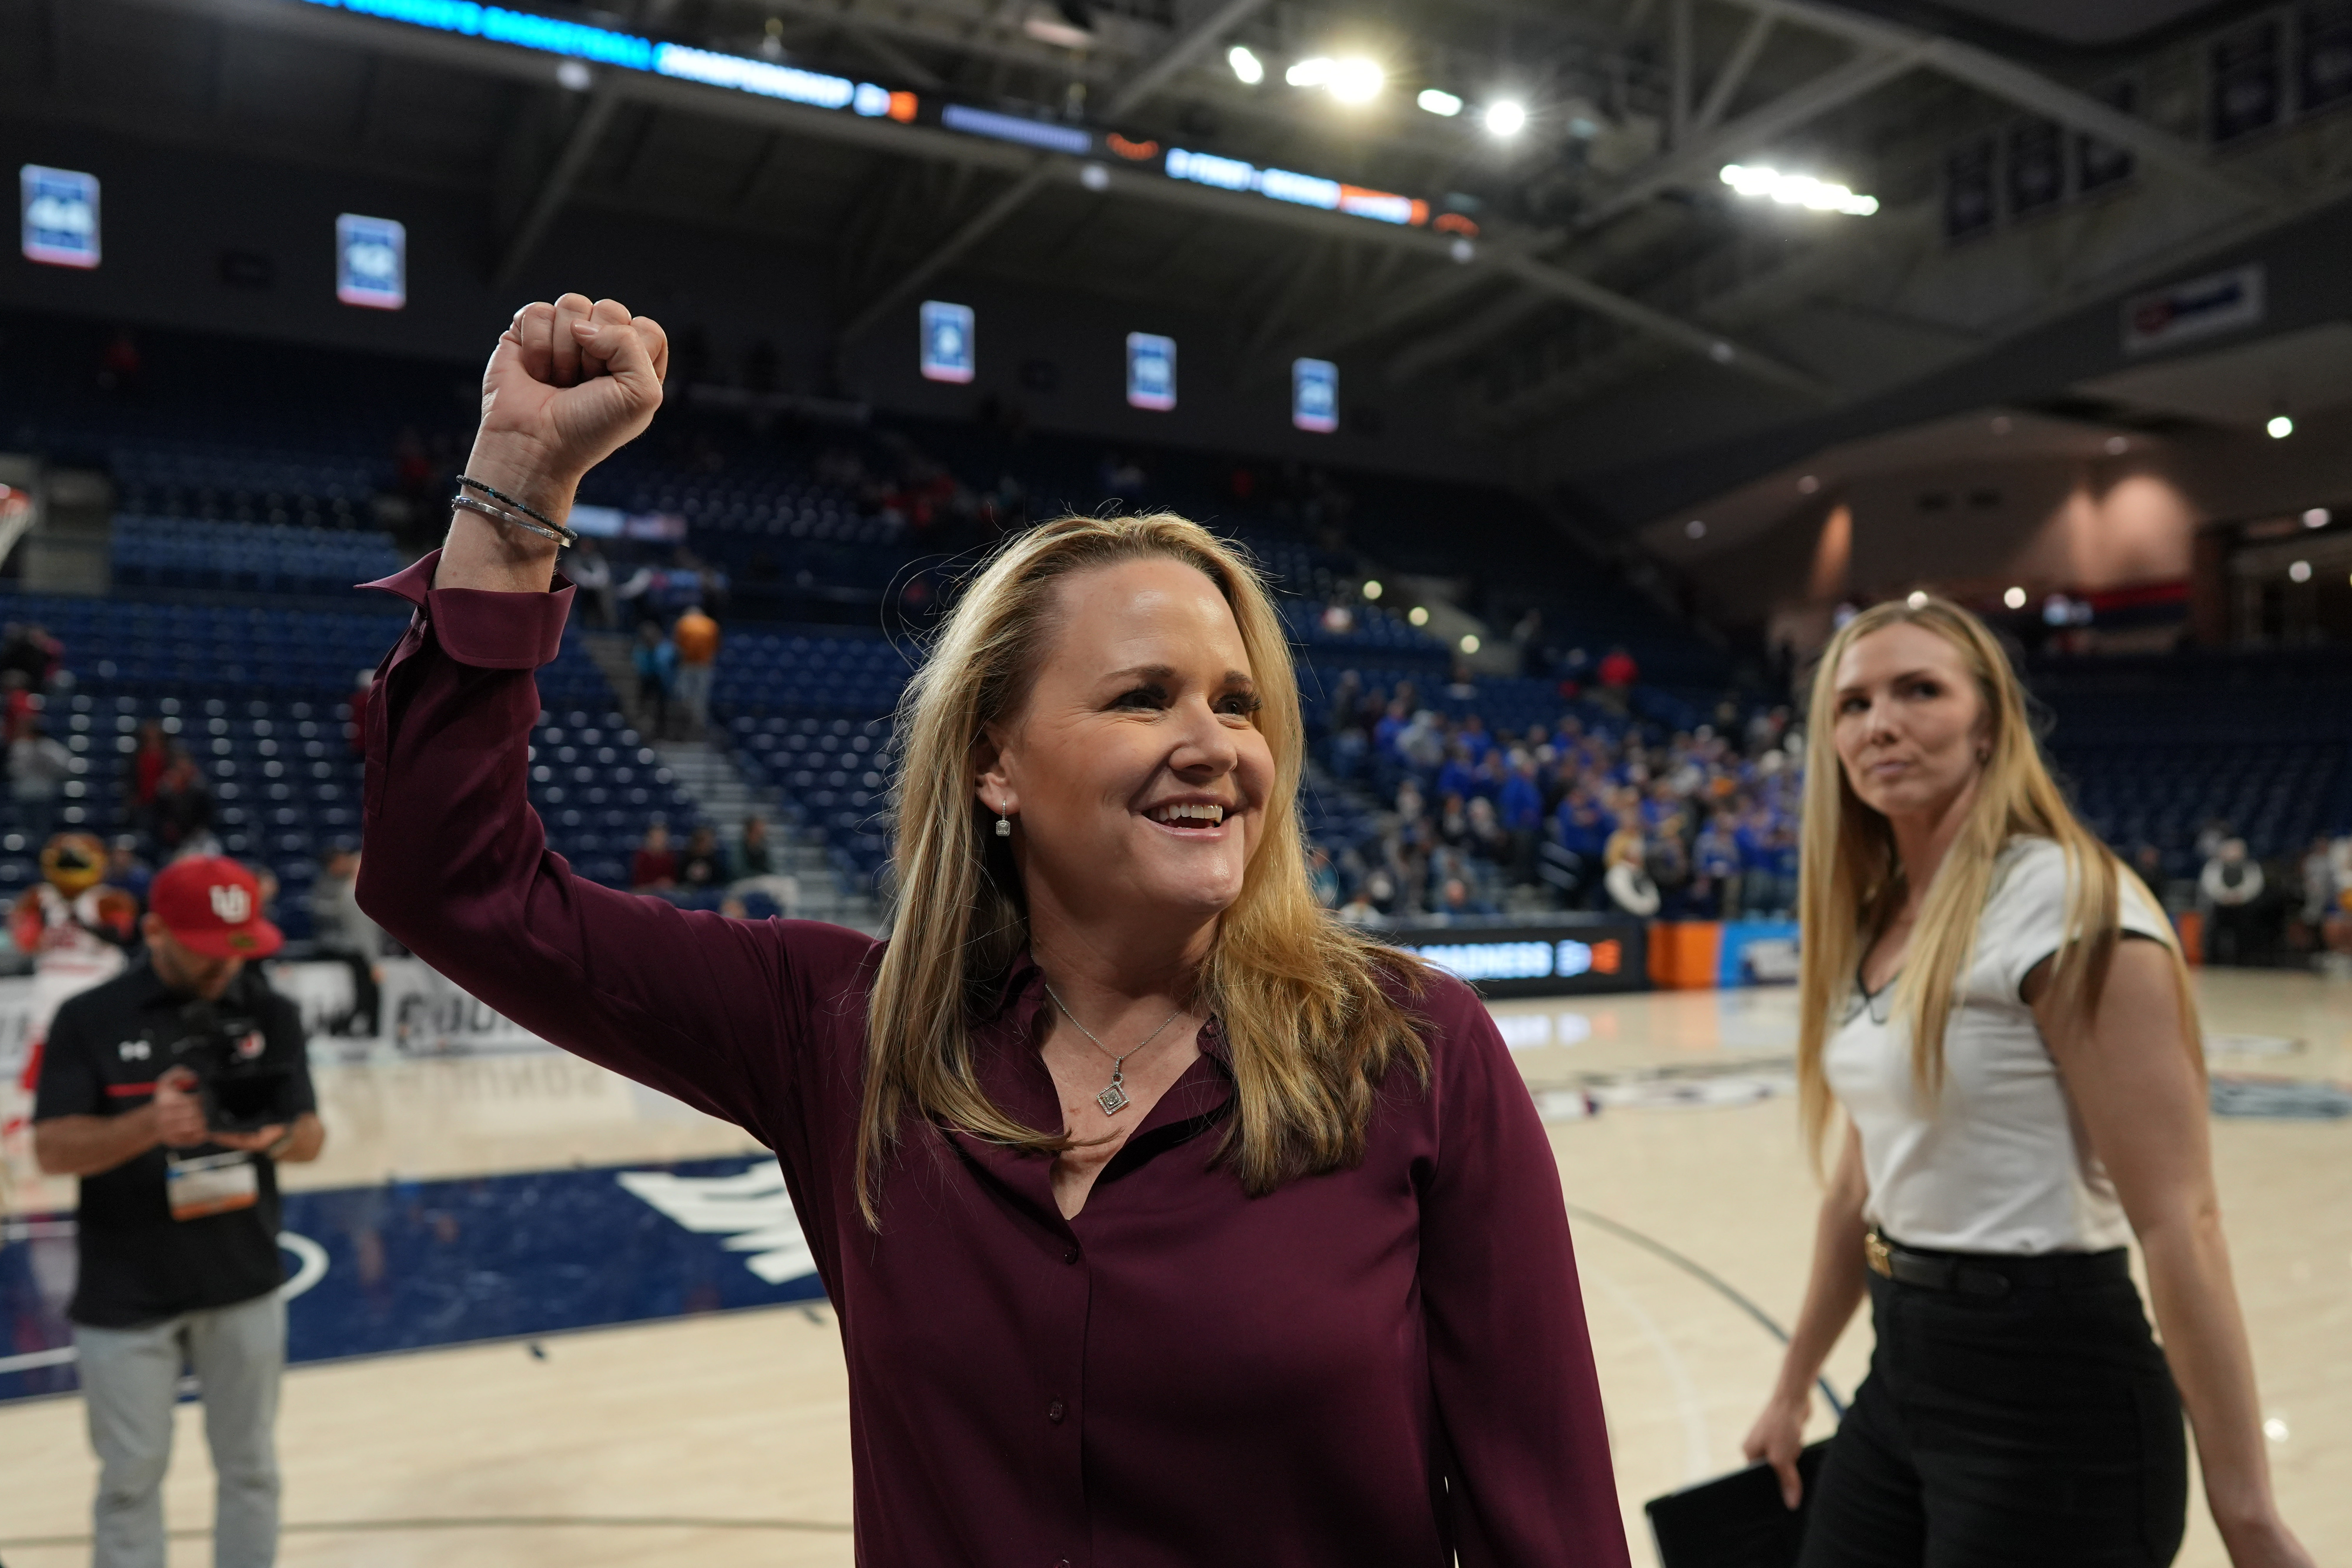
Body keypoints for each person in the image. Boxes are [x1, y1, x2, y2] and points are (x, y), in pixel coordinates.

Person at [354, 293, 1627, 1567]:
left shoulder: (1413, 1050)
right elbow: (457, 887)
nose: (1215, 744)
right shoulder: (843, 1034)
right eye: (1144, 697)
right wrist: (517, 487)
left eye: (1238, 702)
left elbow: (1548, 1523)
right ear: (992, 762)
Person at [1741, 596, 2310, 1568]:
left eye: (1919, 690)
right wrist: (1793, 1386)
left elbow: (2182, 1220)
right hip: (1904, 1367)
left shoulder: (2068, 902)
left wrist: (2248, 1512)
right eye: (1853, 703)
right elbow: (1855, 1186)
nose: (1879, 723)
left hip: (2055, 1398)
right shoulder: (1872, 917)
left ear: (1989, 725)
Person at [31, 856, 325, 1568]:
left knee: (252, 1470)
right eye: (206, 948)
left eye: (239, 946)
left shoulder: (271, 1011)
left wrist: (271, 1137)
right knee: (130, 1482)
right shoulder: (89, 1018)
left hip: (244, 1280)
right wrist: (149, 1125)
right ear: (156, 931)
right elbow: (51, 1150)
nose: (226, 964)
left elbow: (311, 1137)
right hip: (127, 1293)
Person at [308, 845, 386, 1038]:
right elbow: (363, 933)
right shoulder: (350, 894)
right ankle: (357, 1026)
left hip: (357, 948)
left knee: (365, 990)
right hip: (354, 949)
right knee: (365, 991)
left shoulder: (350, 891)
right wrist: (374, 961)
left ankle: (363, 1025)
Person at [2199, 838, 2266, 967]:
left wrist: (2240, 896)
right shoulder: (2214, 866)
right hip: (2220, 907)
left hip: (2243, 907)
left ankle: (2244, 963)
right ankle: (2213, 964)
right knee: (2214, 935)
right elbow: (2210, 884)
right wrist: (2225, 896)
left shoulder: (2251, 867)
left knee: (2245, 936)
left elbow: (2255, 885)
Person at [11, 714, 76, 843]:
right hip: (24, 795)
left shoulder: (50, 748)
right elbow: (13, 771)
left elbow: (68, 768)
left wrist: (48, 764)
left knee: (43, 832)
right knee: (23, 833)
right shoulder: (21, 747)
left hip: (44, 796)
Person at [671, 602, 720, 735]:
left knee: (684, 696)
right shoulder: (711, 625)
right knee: (701, 698)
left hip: (687, 664)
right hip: (705, 666)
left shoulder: (683, 623)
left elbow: (677, 646)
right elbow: (716, 648)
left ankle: (685, 726)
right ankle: (698, 727)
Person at [630, 621, 675, 739]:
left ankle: (660, 732)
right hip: (646, 680)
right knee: (644, 706)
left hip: (661, 681)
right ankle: (641, 729)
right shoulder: (640, 650)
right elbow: (639, 666)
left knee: (662, 708)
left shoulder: (666, 648)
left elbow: (669, 665)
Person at [629, 820, 677, 891]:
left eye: (662, 837)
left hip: (666, 891)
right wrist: (657, 885)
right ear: (650, 838)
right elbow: (639, 882)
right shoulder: (642, 856)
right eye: (656, 837)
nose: (659, 840)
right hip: (645, 891)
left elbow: (673, 879)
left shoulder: (669, 856)